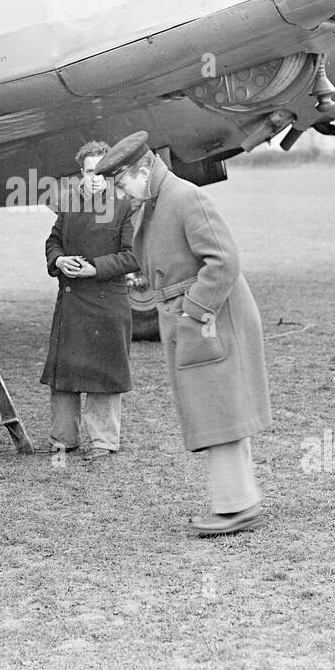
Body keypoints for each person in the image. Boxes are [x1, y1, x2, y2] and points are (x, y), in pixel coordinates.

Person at [95, 132, 271, 537]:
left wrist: (193, 312)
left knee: (219, 411)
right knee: (218, 409)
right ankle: (238, 501)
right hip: (195, 316)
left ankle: (237, 507)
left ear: (142, 170)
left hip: (210, 318)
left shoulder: (184, 197)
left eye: (122, 183)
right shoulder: (159, 200)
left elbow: (224, 260)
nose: (122, 193)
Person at [40, 141, 140, 461]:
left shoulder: (127, 205)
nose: (94, 177)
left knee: (103, 376)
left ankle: (103, 441)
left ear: (111, 173)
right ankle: (63, 438)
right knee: (64, 375)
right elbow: (53, 241)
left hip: (106, 303)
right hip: (71, 301)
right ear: (80, 174)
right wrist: (59, 261)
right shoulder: (69, 203)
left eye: (101, 171)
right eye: (88, 171)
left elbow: (133, 256)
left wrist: (95, 268)